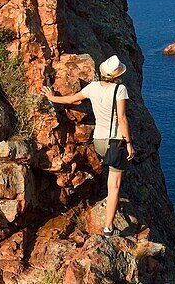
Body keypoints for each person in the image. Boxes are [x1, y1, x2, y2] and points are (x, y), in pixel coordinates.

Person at [43, 54, 136, 236]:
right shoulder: (120, 90)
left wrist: (52, 97)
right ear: (117, 75)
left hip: (99, 141)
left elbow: (72, 99)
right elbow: (122, 118)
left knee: (109, 174)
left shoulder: (93, 87)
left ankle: (105, 207)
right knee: (114, 185)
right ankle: (108, 227)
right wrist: (129, 142)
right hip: (116, 141)